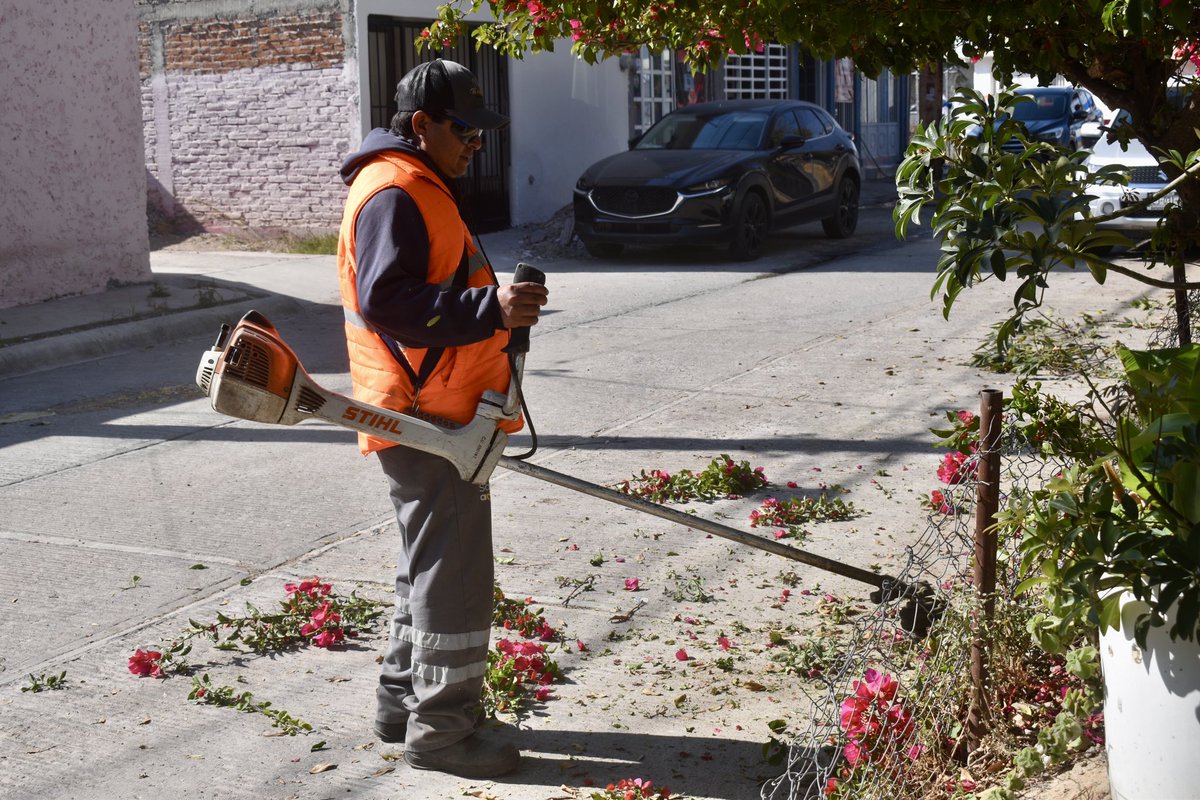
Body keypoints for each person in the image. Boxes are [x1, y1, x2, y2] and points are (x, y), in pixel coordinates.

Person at [335, 58, 548, 779]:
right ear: (422, 124)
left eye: (482, 135)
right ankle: (446, 733)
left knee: (424, 572)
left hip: (434, 416)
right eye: (465, 131)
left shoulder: (416, 185)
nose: (475, 145)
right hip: (428, 421)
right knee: (453, 583)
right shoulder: (397, 190)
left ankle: (403, 707)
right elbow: (386, 302)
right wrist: (490, 309)